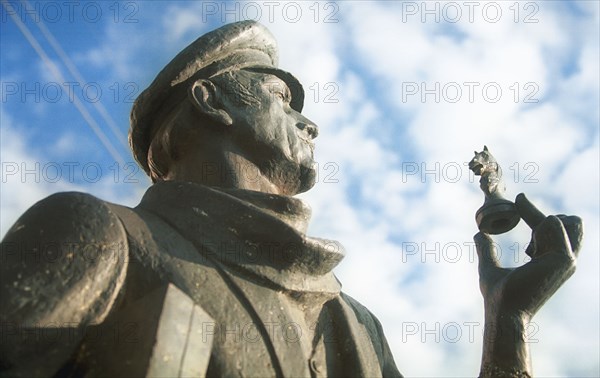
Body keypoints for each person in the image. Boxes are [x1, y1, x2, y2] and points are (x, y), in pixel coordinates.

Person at [0, 21, 583, 378]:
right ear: (211, 101)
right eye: (282, 97)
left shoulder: (351, 322)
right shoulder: (99, 234)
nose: (310, 124)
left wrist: (508, 319)